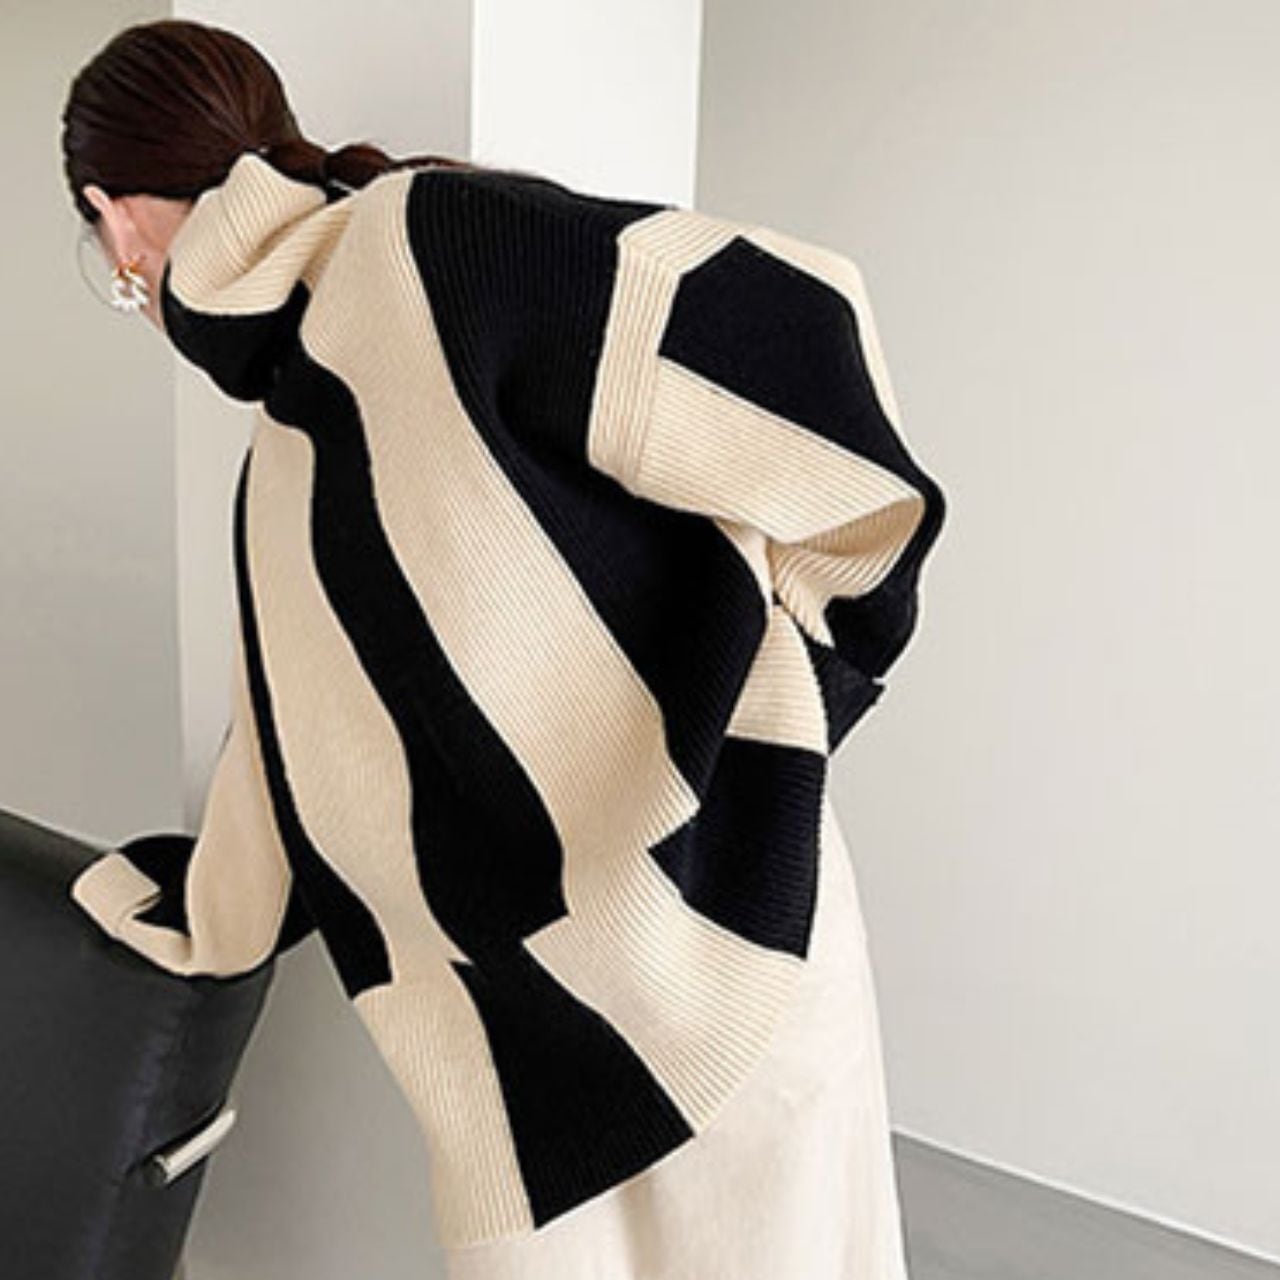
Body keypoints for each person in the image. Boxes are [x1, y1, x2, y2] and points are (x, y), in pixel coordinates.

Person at [62, 18, 946, 1279]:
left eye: (106, 263)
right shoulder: (282, 462)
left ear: (115, 221)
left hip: (726, 941)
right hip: (514, 1070)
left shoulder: (430, 242)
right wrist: (200, 917)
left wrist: (795, 692)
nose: (128, 284)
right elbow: (291, 739)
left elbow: (799, 319)